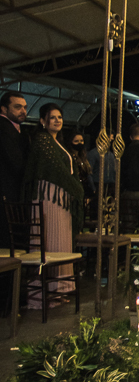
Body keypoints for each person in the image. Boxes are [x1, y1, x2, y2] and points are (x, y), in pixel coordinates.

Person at [22, 103, 83, 308]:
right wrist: (76, 188)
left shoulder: (59, 143)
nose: (57, 120)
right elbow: (55, 171)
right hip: (49, 197)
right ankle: (44, 292)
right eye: (52, 117)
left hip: (60, 198)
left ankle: (58, 289)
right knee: (49, 240)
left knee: (61, 241)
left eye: (60, 117)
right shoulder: (42, 141)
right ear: (42, 121)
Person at [0, 91, 30, 314]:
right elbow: (15, 163)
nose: (23, 111)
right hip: (7, 197)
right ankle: (6, 302)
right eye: (18, 107)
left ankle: (11, 299)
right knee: (7, 247)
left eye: (25, 107)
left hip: (12, 196)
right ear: (4, 109)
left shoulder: (16, 130)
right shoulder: (4, 129)